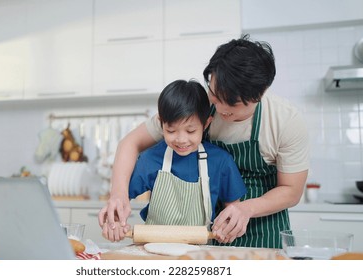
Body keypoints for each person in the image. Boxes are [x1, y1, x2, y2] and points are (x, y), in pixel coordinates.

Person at [98, 34, 310, 249]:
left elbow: (291, 191)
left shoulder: (286, 121)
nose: (218, 109)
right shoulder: (198, 105)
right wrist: (118, 195)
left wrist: (246, 208)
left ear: (260, 94)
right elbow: (130, 143)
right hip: (206, 229)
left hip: (263, 223)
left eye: (231, 104)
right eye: (215, 95)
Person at [100, 79, 247, 242]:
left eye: (191, 131)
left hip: (198, 256)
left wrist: (227, 228)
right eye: (171, 130)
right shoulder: (150, 159)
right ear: (161, 123)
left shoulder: (220, 162)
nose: (181, 139)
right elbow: (121, 200)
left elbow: (232, 210)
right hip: (151, 251)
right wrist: (115, 222)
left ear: (206, 124)